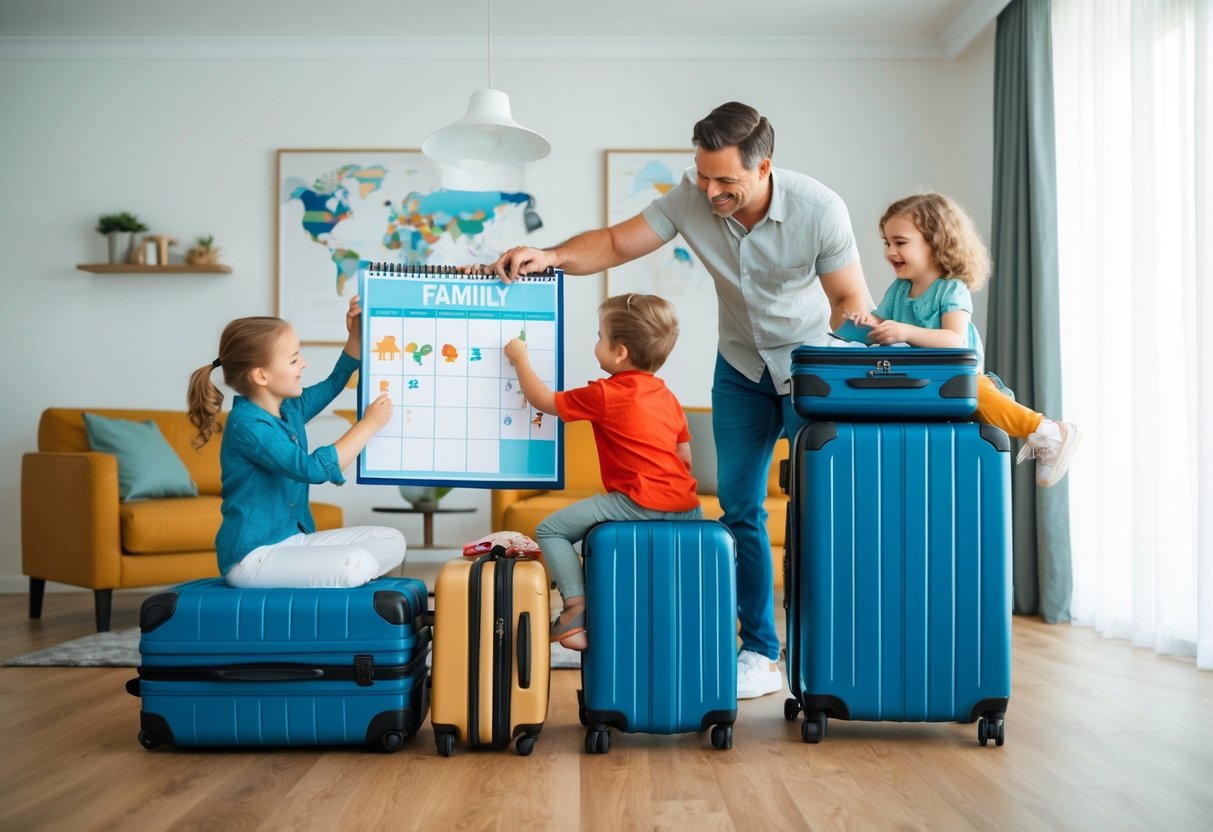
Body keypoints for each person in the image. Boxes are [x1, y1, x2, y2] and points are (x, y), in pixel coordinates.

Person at [487, 101, 873, 698]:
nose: (710, 189)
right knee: (742, 510)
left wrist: (854, 370)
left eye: (725, 180)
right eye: (703, 174)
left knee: (822, 512)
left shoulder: (820, 210)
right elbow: (616, 243)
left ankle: (831, 649)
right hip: (741, 369)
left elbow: (850, 302)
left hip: (810, 370)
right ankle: (760, 652)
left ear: (763, 166)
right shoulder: (692, 199)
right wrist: (554, 257)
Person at [503, 293, 703, 651]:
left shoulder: (605, 393)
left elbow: (544, 401)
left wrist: (520, 360)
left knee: (549, 530)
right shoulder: (668, 397)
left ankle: (576, 610)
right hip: (687, 507)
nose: (596, 342)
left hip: (637, 501)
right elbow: (684, 457)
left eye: (599, 336)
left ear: (620, 352)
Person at [850, 192, 1080, 486]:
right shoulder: (899, 289)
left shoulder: (950, 289)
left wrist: (905, 331)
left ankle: (1048, 431)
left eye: (900, 242)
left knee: (978, 391)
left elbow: (953, 339)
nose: (890, 251)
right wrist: (863, 321)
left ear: (935, 243)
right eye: (887, 242)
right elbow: (882, 323)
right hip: (921, 382)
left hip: (957, 378)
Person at [186, 296, 407, 588]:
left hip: (294, 542)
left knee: (392, 541)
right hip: (254, 558)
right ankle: (337, 586)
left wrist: (354, 336)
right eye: (293, 359)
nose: (303, 363)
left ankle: (333, 581)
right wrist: (368, 425)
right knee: (358, 563)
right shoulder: (248, 425)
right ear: (261, 375)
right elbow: (312, 469)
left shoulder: (289, 408)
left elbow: (334, 381)